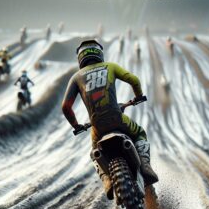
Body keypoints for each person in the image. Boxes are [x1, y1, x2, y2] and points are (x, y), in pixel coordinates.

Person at [61, 39, 158, 198]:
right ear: (98, 53)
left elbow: (66, 107)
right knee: (140, 132)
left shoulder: (76, 77)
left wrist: (76, 125)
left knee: (94, 152)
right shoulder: (110, 66)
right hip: (118, 119)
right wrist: (138, 96)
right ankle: (145, 166)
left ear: (81, 57)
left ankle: (106, 179)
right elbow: (134, 80)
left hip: (97, 128)